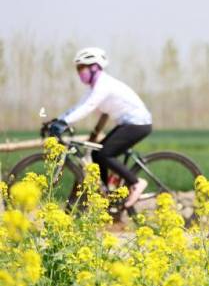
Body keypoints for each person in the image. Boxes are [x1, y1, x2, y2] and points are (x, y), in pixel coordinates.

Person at [48, 47, 153, 207]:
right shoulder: (95, 86)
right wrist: (57, 120)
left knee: (105, 154)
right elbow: (79, 106)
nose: (79, 72)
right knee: (97, 154)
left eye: (82, 67)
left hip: (138, 124)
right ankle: (106, 195)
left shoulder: (104, 85)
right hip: (127, 123)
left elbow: (88, 106)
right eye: (78, 68)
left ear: (94, 67)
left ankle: (136, 182)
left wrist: (64, 123)